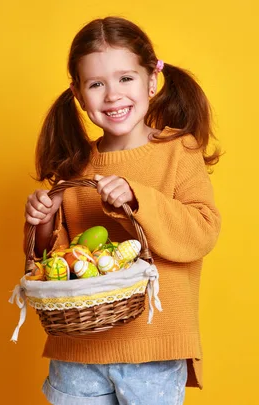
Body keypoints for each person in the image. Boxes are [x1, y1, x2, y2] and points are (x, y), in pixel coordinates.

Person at [24, 16, 222, 405]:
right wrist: (44, 223)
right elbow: (61, 261)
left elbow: (202, 231)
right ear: (79, 95)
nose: (113, 95)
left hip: (153, 349)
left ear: (152, 80)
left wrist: (136, 199)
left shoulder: (179, 152)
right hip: (78, 351)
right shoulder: (75, 167)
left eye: (125, 79)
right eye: (97, 84)